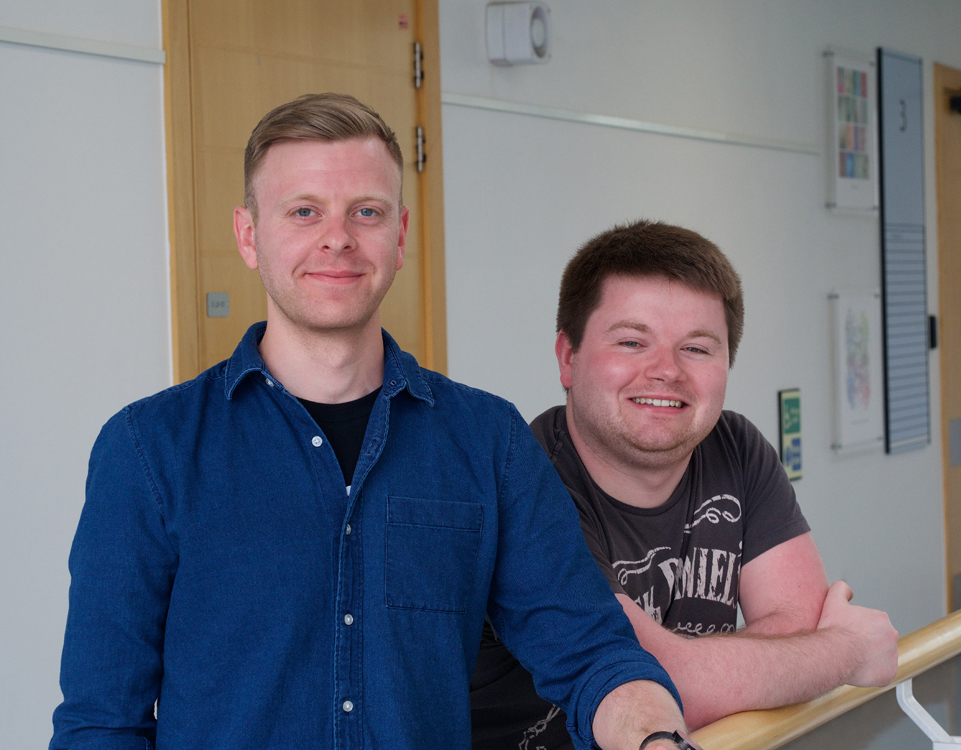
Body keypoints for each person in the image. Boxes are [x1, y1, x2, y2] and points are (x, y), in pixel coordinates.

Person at [50, 95, 695, 750]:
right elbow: (100, 723)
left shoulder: (487, 442)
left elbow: (593, 656)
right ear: (248, 236)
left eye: (366, 212)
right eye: (304, 212)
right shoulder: (147, 450)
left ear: (400, 236)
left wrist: (654, 740)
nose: (338, 238)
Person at [470, 221, 900, 750]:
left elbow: (801, 620)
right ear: (568, 356)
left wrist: (792, 654)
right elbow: (653, 685)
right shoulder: (526, 481)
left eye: (696, 348)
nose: (666, 371)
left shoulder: (734, 446)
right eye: (631, 341)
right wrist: (845, 652)